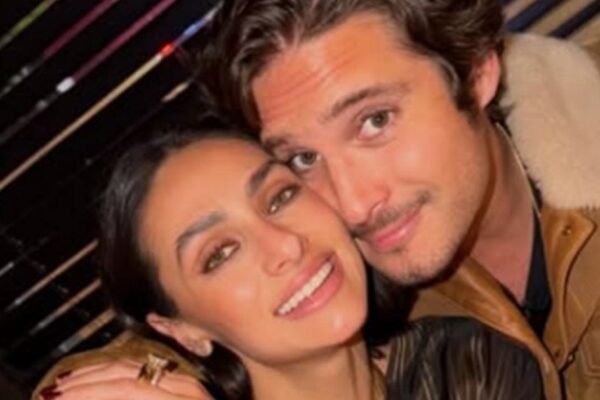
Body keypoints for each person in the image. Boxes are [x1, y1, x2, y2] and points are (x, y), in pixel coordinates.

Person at [35, 0, 600, 398]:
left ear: (475, 71)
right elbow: (174, 324)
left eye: (375, 121)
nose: (353, 206)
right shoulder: (342, 266)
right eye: (303, 159)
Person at [37, 127, 542, 399]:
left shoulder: (468, 362)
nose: (286, 246)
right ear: (182, 330)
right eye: (220, 253)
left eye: (279, 197)